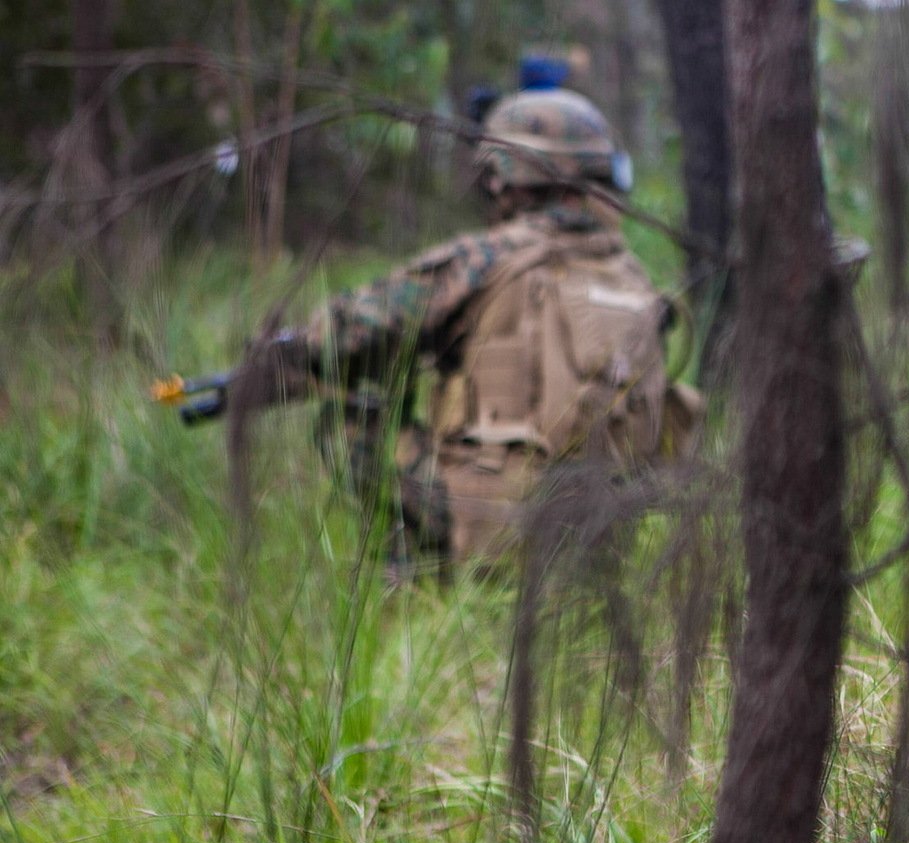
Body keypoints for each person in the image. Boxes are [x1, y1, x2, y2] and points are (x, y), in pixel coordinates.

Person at [234, 87, 697, 575]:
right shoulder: (636, 279)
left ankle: (414, 576)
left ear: (506, 179)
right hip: (602, 542)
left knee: (351, 419)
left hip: (497, 534)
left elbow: (346, 332)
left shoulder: (486, 259)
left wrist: (282, 357)